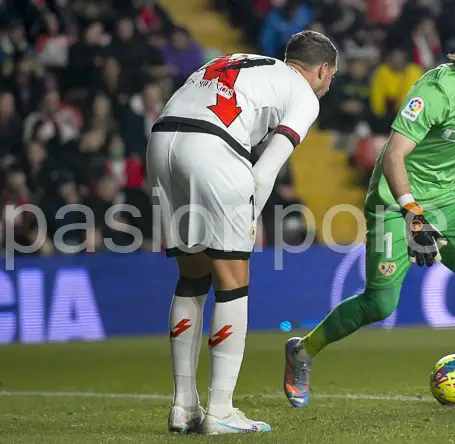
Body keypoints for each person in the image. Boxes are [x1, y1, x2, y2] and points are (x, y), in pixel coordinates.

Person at [283, 16, 455, 408]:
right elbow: (394, 156)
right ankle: (301, 352)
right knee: (380, 304)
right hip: (395, 199)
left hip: (449, 198)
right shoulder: (437, 90)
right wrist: (412, 213)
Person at [146, 30, 337, 435]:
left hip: (162, 139)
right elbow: (266, 169)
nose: (327, 87)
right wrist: (248, 218)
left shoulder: (240, 60)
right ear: (322, 69)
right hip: (211, 147)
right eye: (330, 78)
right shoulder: (303, 95)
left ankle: (183, 406)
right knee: (233, 279)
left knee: (192, 276)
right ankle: (220, 410)